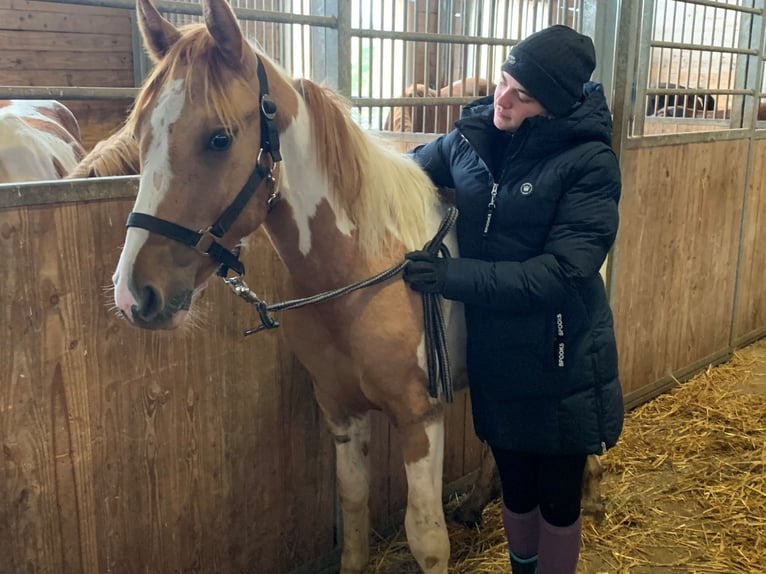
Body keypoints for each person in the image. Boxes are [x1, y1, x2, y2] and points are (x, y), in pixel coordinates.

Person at [402, 25, 624, 574]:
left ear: (552, 104)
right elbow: (400, 173)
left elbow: (559, 273)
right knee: (516, 490)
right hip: (497, 356)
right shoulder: (468, 141)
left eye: (521, 94)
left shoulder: (590, 164)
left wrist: (454, 277)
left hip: (561, 357)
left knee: (557, 498)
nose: (501, 98)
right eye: (504, 80)